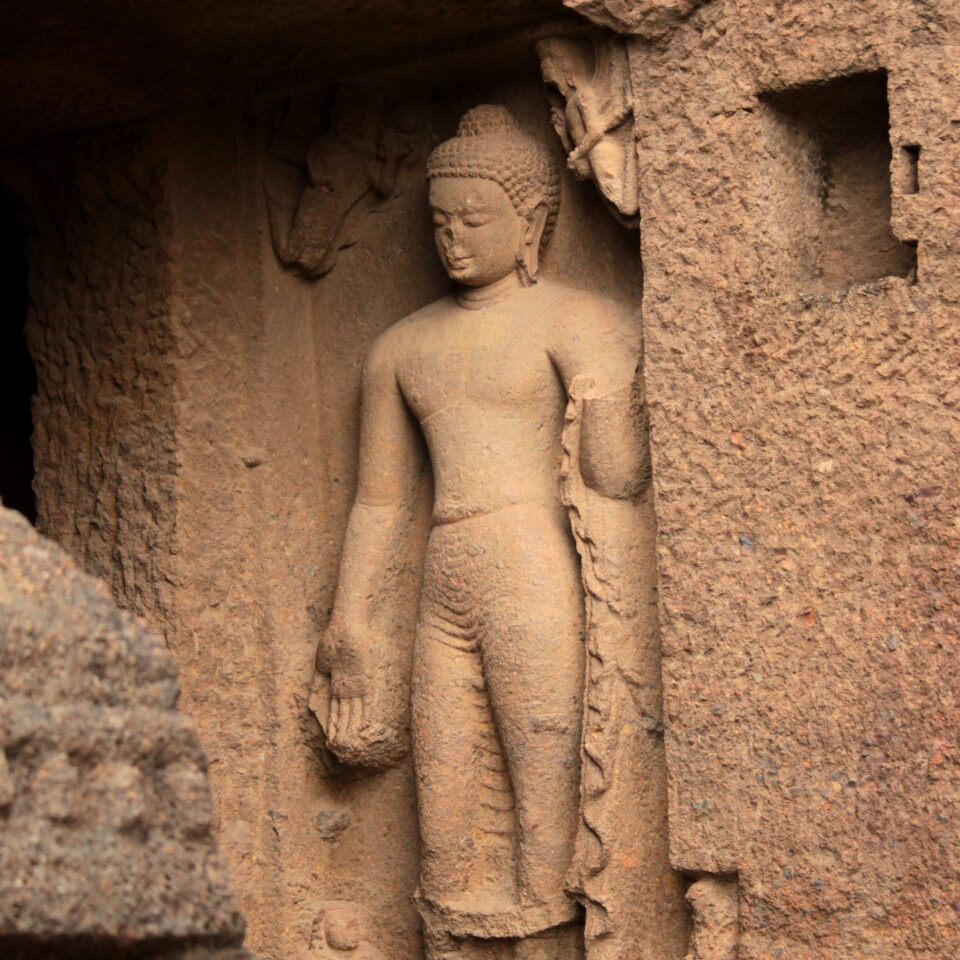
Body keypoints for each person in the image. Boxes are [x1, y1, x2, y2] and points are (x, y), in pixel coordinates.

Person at [317, 105, 644, 960]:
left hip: (533, 573)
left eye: (475, 219)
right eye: (439, 222)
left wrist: (609, 389)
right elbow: (381, 502)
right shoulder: (400, 348)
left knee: (544, 796)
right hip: (444, 579)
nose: (453, 239)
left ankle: (548, 944)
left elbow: (619, 480)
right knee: (445, 802)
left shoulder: (578, 321)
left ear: (531, 220)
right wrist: (350, 620)